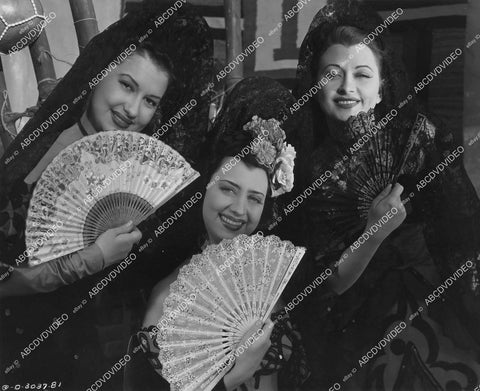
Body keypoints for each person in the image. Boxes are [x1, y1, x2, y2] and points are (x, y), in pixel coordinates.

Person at [0, 2, 213, 389]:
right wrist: (93, 258)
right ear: (98, 75)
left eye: (150, 101)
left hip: (97, 361)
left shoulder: (142, 180)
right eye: (126, 85)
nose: (132, 110)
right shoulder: (47, 150)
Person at [293, 1, 480, 390]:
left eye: (362, 75)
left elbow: (461, 238)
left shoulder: (422, 137)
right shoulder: (306, 164)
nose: (347, 87)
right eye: (332, 74)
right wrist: (374, 232)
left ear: (381, 88)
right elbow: (328, 283)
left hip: (429, 297)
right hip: (349, 315)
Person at [123, 77, 310, 391]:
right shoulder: (168, 298)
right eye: (228, 189)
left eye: (254, 198)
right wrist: (237, 374)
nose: (239, 209)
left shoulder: (267, 288)